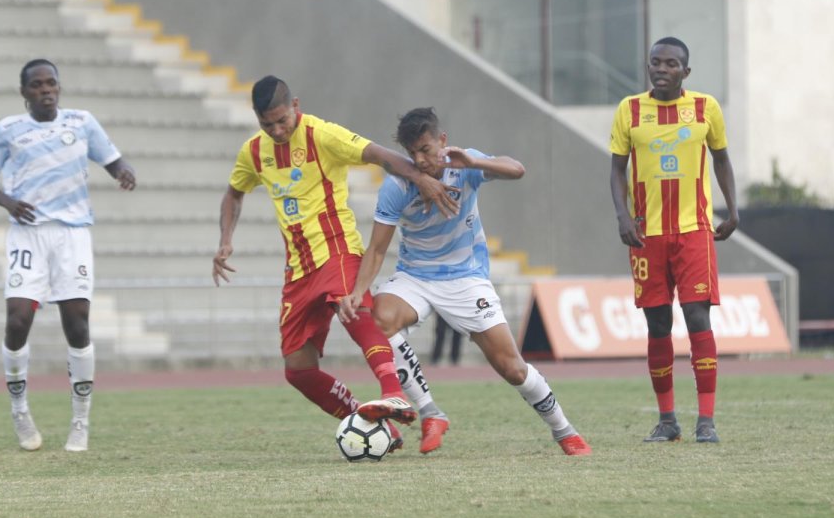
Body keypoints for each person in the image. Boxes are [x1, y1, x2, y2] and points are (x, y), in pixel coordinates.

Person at [214, 77, 460, 452]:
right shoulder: (254, 152)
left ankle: (393, 392)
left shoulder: (321, 135)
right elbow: (233, 194)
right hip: (297, 270)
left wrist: (420, 178)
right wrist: (226, 241)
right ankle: (373, 423)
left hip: (336, 249)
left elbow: (380, 155)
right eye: (268, 125)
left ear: (295, 105)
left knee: (356, 309)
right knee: (298, 370)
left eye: (282, 120)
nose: (278, 131)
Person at [339, 107, 593, 456]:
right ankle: (430, 413)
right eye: (412, 153)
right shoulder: (396, 186)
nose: (420, 160)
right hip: (415, 277)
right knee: (378, 317)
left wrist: (473, 164)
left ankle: (564, 431)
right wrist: (356, 292)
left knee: (512, 368)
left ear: (442, 141)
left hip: (466, 279)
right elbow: (378, 249)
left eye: (426, 150)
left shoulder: (465, 164)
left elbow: (517, 170)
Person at [0, 58, 136, 452]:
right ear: (24, 92)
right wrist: (9, 203)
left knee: (78, 325)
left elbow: (113, 160)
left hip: (72, 234)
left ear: (59, 88)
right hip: (28, 234)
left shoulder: (82, 122)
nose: (46, 90)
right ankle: (19, 410)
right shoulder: (8, 130)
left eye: (51, 83)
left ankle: (80, 422)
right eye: (37, 85)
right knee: (17, 320)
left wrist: (124, 173)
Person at [609, 36, 739, 444]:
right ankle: (667, 420)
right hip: (647, 237)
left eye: (670, 64)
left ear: (686, 71)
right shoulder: (629, 110)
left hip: (694, 231)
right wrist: (623, 215)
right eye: (655, 62)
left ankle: (706, 421)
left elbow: (721, 159)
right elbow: (616, 170)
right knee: (658, 324)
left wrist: (733, 210)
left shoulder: (706, 108)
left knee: (699, 319)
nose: (661, 69)